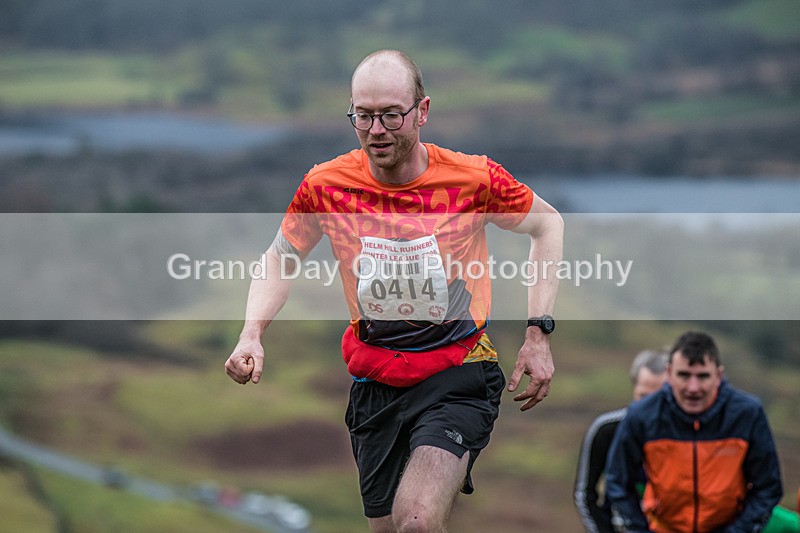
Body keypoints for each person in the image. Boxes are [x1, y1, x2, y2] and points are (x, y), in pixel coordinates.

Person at [224, 49, 564, 532]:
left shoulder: (472, 178)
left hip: (459, 371)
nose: (376, 130)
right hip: (375, 380)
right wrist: (251, 332)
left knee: (417, 523)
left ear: (421, 112)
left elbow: (547, 224)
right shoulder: (325, 185)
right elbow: (281, 256)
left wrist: (538, 333)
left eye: (390, 115)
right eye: (363, 116)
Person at [605, 331, 783, 533]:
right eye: (684, 375)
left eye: (703, 376)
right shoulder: (642, 415)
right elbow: (618, 483)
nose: (693, 387)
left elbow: (768, 487)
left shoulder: (747, 413)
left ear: (718, 375)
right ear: (669, 374)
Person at [573, 349, 669, 533]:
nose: (650, 407)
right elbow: (584, 494)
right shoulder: (607, 429)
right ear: (634, 388)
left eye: (659, 398)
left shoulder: (688, 433)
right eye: (644, 397)